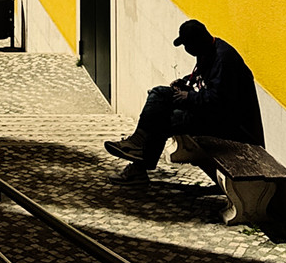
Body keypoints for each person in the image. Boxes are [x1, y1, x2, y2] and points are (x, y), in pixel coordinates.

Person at [105, 19, 264, 183]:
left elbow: (220, 100)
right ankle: (137, 142)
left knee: (167, 119)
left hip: (231, 126)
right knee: (159, 93)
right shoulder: (207, 51)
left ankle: (138, 166)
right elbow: (202, 79)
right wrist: (185, 82)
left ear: (197, 43)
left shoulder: (224, 59)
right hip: (211, 111)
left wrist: (189, 97)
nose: (186, 50)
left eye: (187, 45)